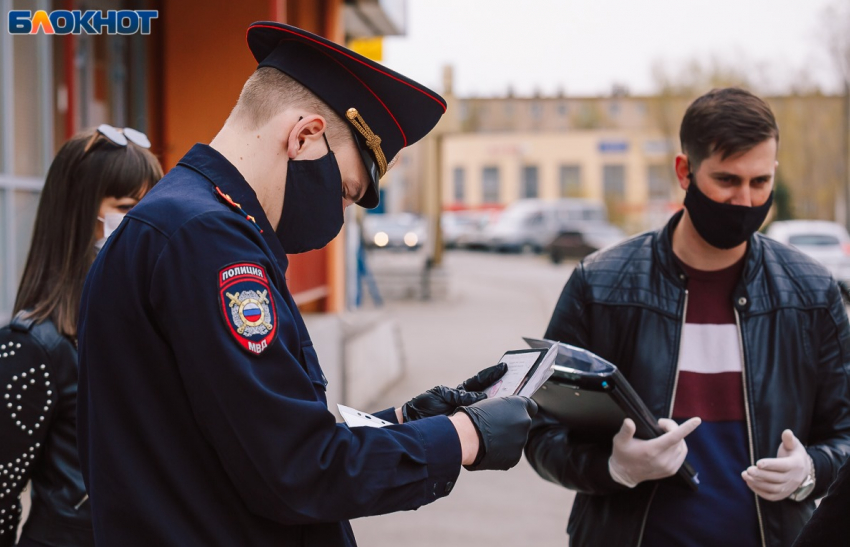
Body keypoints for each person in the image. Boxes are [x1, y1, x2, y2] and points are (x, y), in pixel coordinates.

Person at [76, 22, 536, 547]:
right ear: (303, 136)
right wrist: (465, 437)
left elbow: (245, 441)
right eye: (345, 190)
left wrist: (407, 421)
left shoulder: (182, 220)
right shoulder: (211, 241)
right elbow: (298, 473)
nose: (339, 214)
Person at [524, 87, 850, 546]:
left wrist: (811, 470)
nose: (744, 200)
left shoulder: (812, 293)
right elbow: (538, 428)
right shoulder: (600, 285)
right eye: (727, 180)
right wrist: (613, 467)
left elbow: (844, 432)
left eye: (760, 182)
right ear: (685, 171)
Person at [0, 125, 162, 547]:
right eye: (127, 206)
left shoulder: (156, 322)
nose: (146, 223)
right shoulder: (32, 345)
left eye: (154, 205)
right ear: (78, 213)